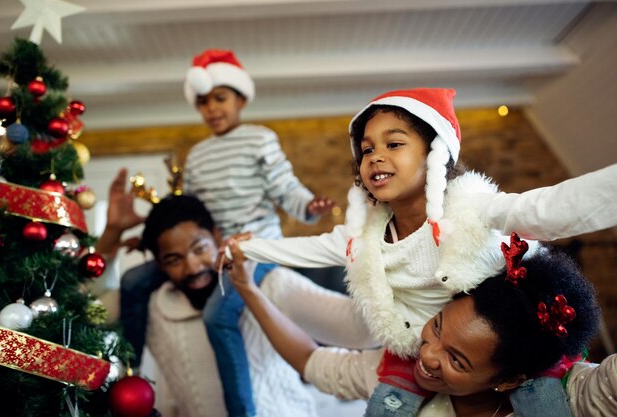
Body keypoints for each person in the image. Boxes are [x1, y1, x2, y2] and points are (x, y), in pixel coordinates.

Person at [227, 88, 617, 416]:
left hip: (510, 343)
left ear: (436, 154)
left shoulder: (473, 210)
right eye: (366, 150)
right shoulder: (364, 237)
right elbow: (310, 249)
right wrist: (249, 248)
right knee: (390, 399)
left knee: (544, 397)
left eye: (393, 144)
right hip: (410, 344)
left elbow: (545, 209)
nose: (375, 156)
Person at [121, 49, 335, 417]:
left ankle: (241, 412)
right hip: (210, 250)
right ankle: (126, 373)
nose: (212, 109)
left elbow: (285, 186)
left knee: (218, 316)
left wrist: (308, 207)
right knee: (134, 279)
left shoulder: (259, 139)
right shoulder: (199, 154)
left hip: (255, 251)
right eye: (203, 103)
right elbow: (188, 213)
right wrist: (148, 238)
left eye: (220, 99)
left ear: (241, 98)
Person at [225, 233, 617, 416]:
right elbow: (311, 359)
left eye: (457, 361)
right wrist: (248, 288)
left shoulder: (572, 396)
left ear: (510, 379)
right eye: (438, 327)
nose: (426, 356)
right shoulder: (394, 373)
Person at [97, 172, 330, 417]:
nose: (193, 267)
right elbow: (85, 308)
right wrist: (111, 232)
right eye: (174, 259)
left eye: (200, 249)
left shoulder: (272, 285)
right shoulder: (152, 304)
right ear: (159, 265)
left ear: (217, 236)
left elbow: (357, 329)